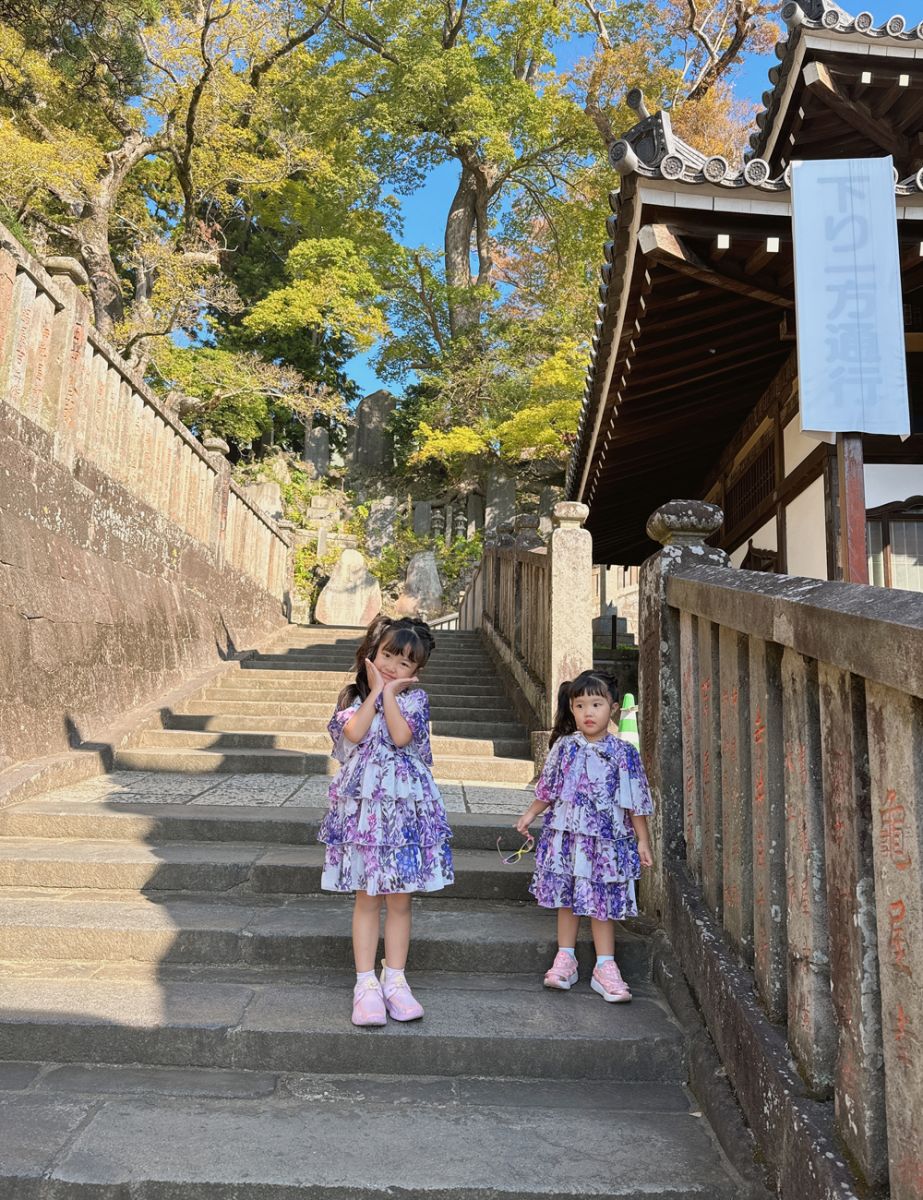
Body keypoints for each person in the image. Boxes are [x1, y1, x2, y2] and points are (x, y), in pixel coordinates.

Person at [318, 614, 453, 1027]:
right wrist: (375, 691)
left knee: (400, 899)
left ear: (417, 671)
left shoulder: (415, 700)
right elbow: (354, 736)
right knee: (366, 897)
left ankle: (395, 979)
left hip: (404, 811)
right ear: (373, 654)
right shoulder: (351, 699)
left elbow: (401, 737)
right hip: (363, 812)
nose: (394, 666)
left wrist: (390, 694)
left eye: (405, 663)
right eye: (388, 655)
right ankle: (365, 984)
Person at [515, 670, 653, 1003]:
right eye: (580, 705)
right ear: (572, 709)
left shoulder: (624, 753)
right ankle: (566, 957)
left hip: (606, 841)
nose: (588, 712)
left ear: (613, 708)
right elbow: (549, 788)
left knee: (601, 903)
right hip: (568, 837)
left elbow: (634, 800)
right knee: (567, 898)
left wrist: (642, 839)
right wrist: (531, 813)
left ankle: (605, 967)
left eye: (596, 704)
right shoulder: (564, 747)